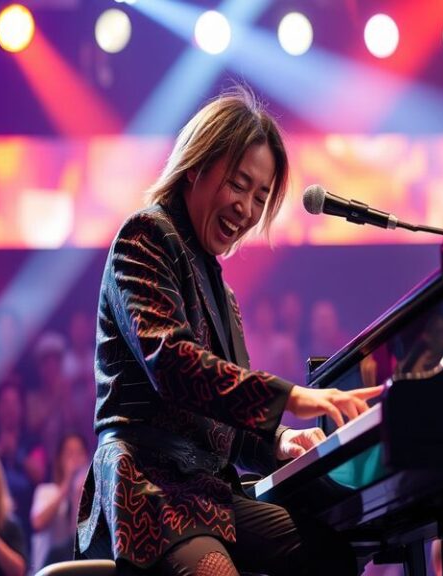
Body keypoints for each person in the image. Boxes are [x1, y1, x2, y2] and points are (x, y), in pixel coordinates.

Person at [77, 87, 383, 576]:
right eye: (240, 185)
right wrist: (294, 398)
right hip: (150, 491)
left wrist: (279, 440)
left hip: (208, 496)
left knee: (332, 554)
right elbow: (174, 366)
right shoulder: (146, 237)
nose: (247, 208)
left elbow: (226, 424)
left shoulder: (225, 296)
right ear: (197, 166)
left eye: (260, 197)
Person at [30, 433, 90, 573]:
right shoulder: (46, 491)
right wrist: (67, 484)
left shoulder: (88, 495)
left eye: (79, 453)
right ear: (59, 459)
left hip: (75, 566)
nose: (75, 459)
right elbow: (37, 523)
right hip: (46, 568)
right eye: (69, 453)